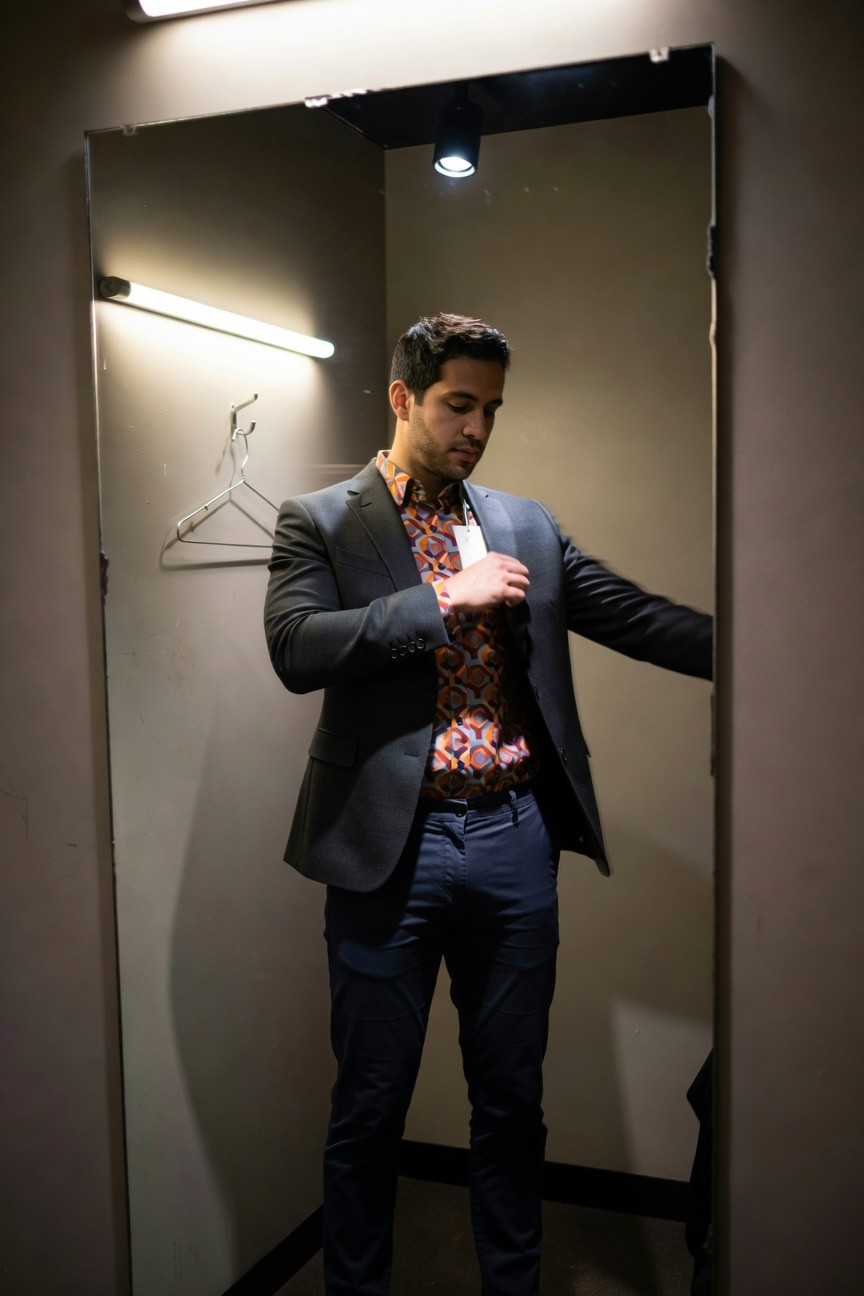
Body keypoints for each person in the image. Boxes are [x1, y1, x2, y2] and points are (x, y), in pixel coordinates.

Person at [264, 312, 712, 1296]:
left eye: (491, 409)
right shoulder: (324, 520)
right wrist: (441, 601)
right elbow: (295, 647)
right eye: (457, 404)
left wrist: (767, 641)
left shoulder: (521, 523)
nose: (477, 426)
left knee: (512, 1104)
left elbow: (629, 616)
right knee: (369, 1111)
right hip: (390, 853)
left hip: (514, 840)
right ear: (401, 399)